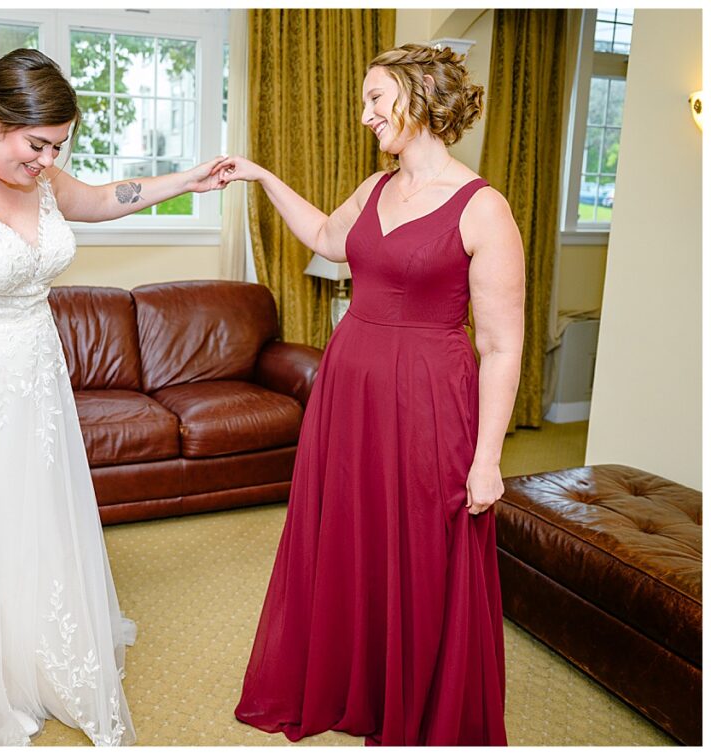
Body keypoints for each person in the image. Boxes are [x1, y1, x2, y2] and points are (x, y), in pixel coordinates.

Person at [0, 48, 225, 746]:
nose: (48, 160)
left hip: (32, 378)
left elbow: (105, 200)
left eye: (60, 145)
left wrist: (190, 179)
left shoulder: (43, 175)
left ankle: (32, 651)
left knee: (29, 517)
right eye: (37, 144)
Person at [218, 43, 524, 745]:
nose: (365, 115)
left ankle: (411, 700)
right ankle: (352, 681)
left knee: (419, 548)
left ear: (419, 97)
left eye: (376, 99)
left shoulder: (484, 208)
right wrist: (261, 176)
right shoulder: (375, 188)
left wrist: (487, 459)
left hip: (428, 400)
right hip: (349, 392)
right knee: (352, 537)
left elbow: (502, 346)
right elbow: (327, 236)